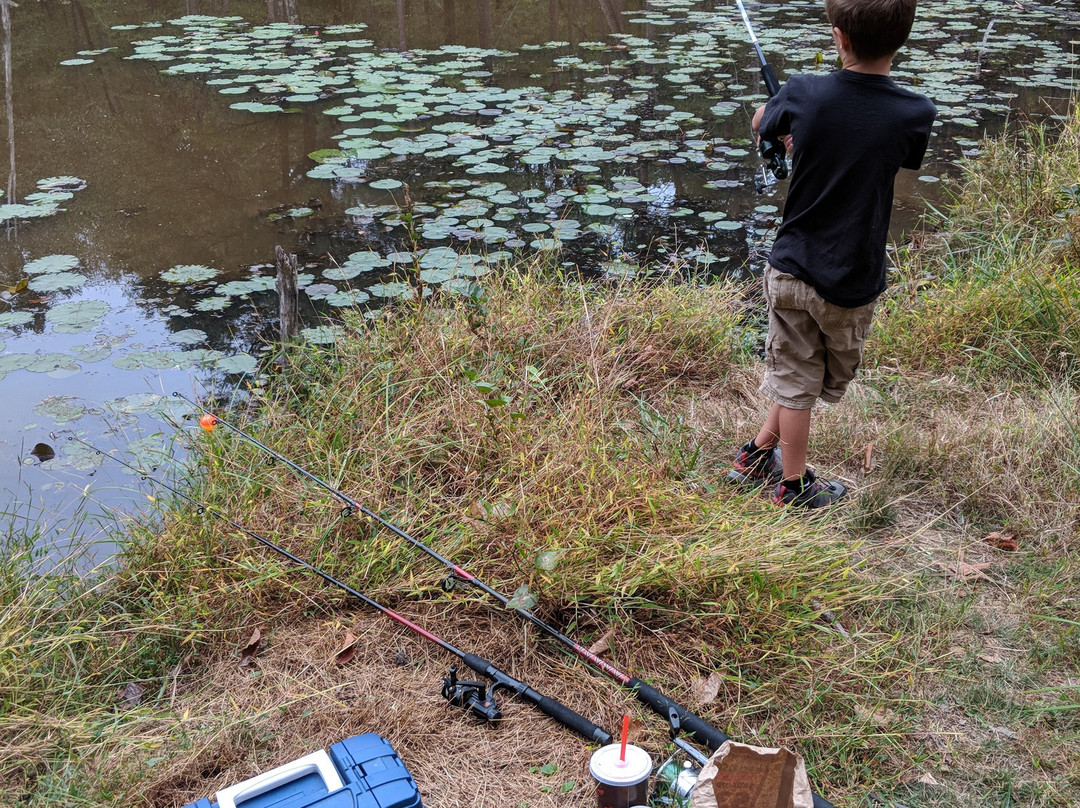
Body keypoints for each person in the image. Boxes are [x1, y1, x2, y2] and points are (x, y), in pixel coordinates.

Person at [729, 0, 937, 508]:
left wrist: (789, 129)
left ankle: (757, 454)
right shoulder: (915, 112)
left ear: (838, 37)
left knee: (802, 371)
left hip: (793, 265)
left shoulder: (802, 92)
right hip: (851, 275)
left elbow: (762, 121)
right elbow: (886, 149)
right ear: (902, 38)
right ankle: (795, 486)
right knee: (804, 375)